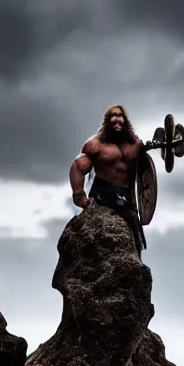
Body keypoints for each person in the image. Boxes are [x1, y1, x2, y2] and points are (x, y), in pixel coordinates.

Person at [69, 104, 148, 256]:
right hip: (102, 193)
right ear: (107, 122)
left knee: (133, 233)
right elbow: (78, 166)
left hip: (127, 195)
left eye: (120, 116)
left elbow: (146, 167)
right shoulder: (94, 145)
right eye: (113, 116)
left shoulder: (136, 145)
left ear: (125, 121)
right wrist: (79, 195)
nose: (117, 120)